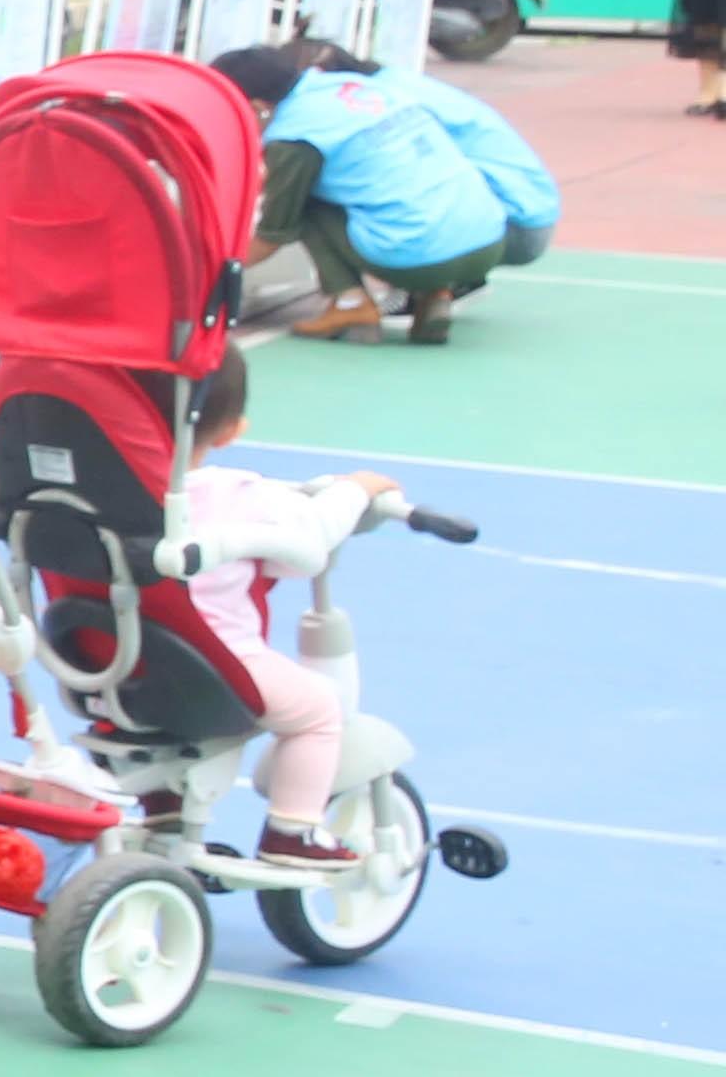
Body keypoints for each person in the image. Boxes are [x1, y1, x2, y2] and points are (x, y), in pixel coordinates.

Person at [171, 342, 394, 868]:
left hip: (106, 659)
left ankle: (164, 810)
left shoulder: (112, 491)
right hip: (216, 666)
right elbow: (308, 544)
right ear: (231, 431)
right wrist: (356, 490)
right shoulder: (239, 495)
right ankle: (293, 829)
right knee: (318, 709)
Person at [214, 42, 558, 345]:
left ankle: (351, 303)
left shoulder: (295, 138)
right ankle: (435, 293)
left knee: (306, 202)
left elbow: (275, 233)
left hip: (424, 255)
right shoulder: (357, 88)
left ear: (258, 105)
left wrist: (213, 271)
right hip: (488, 239)